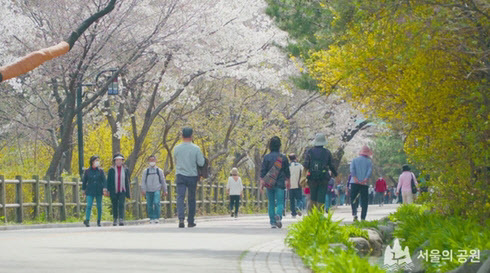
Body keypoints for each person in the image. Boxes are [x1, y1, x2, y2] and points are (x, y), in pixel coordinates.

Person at [174, 127, 205, 228]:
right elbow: (201, 162)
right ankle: (190, 221)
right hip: (192, 175)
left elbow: (176, 160)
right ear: (191, 136)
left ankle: (181, 219)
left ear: (182, 136)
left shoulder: (176, 148)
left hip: (180, 175)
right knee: (191, 198)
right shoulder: (196, 148)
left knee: (180, 197)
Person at [260, 136, 290, 229]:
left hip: (269, 182)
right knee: (280, 202)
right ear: (279, 146)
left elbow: (263, 171)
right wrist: (288, 181)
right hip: (280, 183)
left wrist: (261, 184)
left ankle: (272, 222)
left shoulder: (267, 157)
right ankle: (278, 216)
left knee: (271, 202)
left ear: (270, 146)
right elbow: (287, 171)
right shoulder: (283, 157)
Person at [303, 133, 338, 212]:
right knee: (321, 197)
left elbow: (306, 165)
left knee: (313, 196)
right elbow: (331, 165)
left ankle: (313, 215)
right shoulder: (327, 152)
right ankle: (320, 214)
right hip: (323, 178)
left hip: (312, 178)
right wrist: (335, 174)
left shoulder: (310, 151)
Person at [141, 155, 168, 224]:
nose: (152, 161)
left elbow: (163, 180)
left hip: (157, 189)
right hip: (148, 190)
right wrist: (143, 189)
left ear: (155, 161)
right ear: (148, 161)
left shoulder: (159, 171)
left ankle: (156, 217)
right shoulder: (146, 171)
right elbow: (143, 181)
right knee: (149, 204)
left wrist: (165, 190)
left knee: (156, 203)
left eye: (153, 160)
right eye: (150, 160)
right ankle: (151, 218)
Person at [82, 155, 107, 227]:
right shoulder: (87, 171)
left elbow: (104, 180)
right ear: (92, 162)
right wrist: (83, 190)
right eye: (96, 160)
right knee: (89, 205)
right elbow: (84, 181)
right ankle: (87, 220)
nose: (97, 162)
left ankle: (99, 221)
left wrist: (104, 189)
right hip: (90, 191)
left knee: (99, 206)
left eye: (98, 160)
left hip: (99, 190)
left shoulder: (100, 171)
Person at [350, 145, 373, 221]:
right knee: (364, 200)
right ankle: (363, 217)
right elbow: (369, 171)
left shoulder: (354, 160)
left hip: (354, 182)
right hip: (364, 183)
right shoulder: (369, 162)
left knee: (354, 198)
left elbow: (352, 170)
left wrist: (355, 178)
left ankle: (354, 213)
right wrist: (365, 179)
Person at [107, 153, 131, 226]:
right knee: (114, 204)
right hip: (113, 190)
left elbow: (127, 180)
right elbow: (108, 181)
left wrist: (128, 191)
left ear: (122, 161)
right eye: (117, 160)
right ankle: (115, 218)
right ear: (115, 161)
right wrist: (108, 190)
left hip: (122, 189)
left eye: (120, 160)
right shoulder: (111, 170)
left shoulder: (126, 170)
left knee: (121, 204)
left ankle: (121, 218)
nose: (118, 161)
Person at [288, 153, 304, 218]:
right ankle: (298, 207)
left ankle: (293, 213)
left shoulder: (287, 166)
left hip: (290, 185)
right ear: (296, 158)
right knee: (299, 199)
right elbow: (304, 173)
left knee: (291, 200)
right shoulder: (300, 165)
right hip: (298, 185)